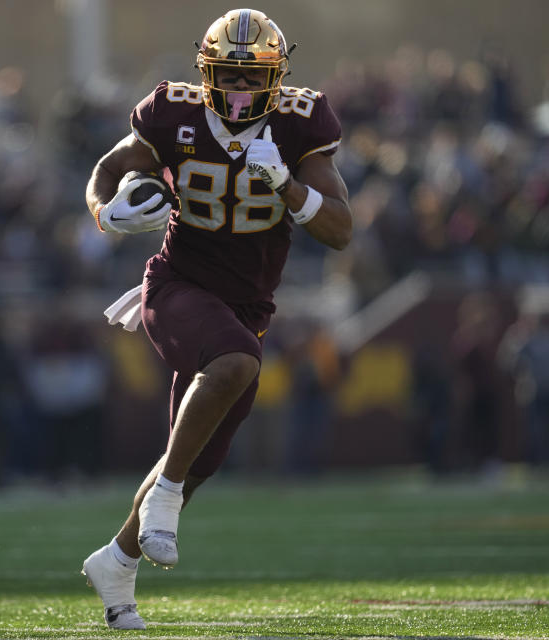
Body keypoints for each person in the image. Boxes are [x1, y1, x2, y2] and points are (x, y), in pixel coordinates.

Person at [81, 8, 352, 630]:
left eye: (252, 77)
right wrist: (105, 213)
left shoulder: (299, 124)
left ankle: (117, 560)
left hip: (247, 305)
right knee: (234, 363)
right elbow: (107, 171)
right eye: (227, 75)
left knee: (199, 456)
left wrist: (285, 183)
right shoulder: (170, 113)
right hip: (178, 285)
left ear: (277, 78)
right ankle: (165, 500)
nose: (239, 90)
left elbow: (340, 230)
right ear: (205, 73)